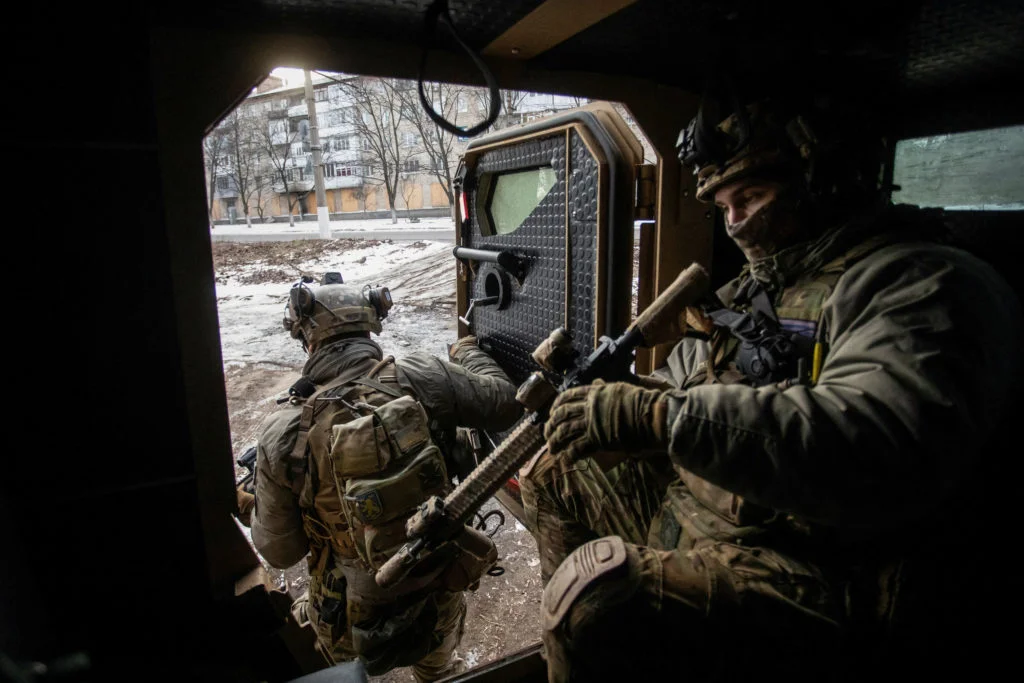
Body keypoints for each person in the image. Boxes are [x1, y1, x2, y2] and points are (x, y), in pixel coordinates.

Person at [520, 94, 1024, 681]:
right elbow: (682, 385)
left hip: (812, 566)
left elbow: (875, 442)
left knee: (593, 602)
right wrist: (617, 398)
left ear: (822, 185)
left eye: (752, 197)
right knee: (555, 469)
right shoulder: (751, 292)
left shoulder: (919, 283)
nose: (734, 222)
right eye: (724, 205)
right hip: (711, 515)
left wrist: (653, 418)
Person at [236, 273, 522, 682]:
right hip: (434, 589)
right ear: (369, 325)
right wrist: (466, 350)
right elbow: (506, 402)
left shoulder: (283, 432)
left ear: (309, 340)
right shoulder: (423, 376)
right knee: (440, 673)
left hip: (345, 616)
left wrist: (253, 505)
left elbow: (281, 552)